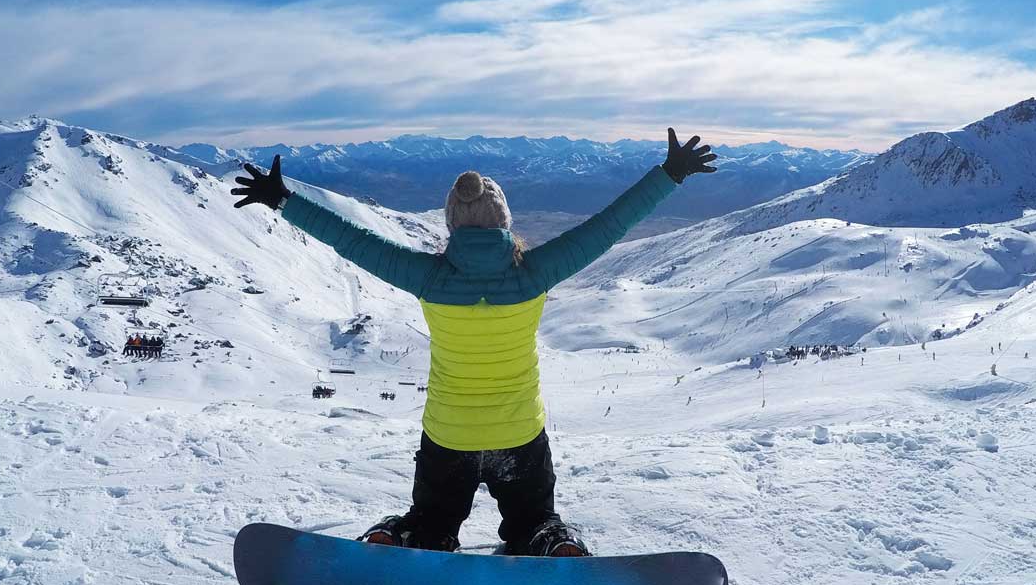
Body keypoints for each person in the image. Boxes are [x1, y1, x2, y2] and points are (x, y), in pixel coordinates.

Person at [233, 128, 716, 556]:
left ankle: (409, 538)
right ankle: (551, 543)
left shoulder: (429, 277)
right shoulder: (536, 273)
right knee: (532, 521)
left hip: (450, 435)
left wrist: (282, 199)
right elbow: (609, 226)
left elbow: (351, 240)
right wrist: (670, 173)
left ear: (452, 224)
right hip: (519, 434)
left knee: (432, 521)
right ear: (504, 221)